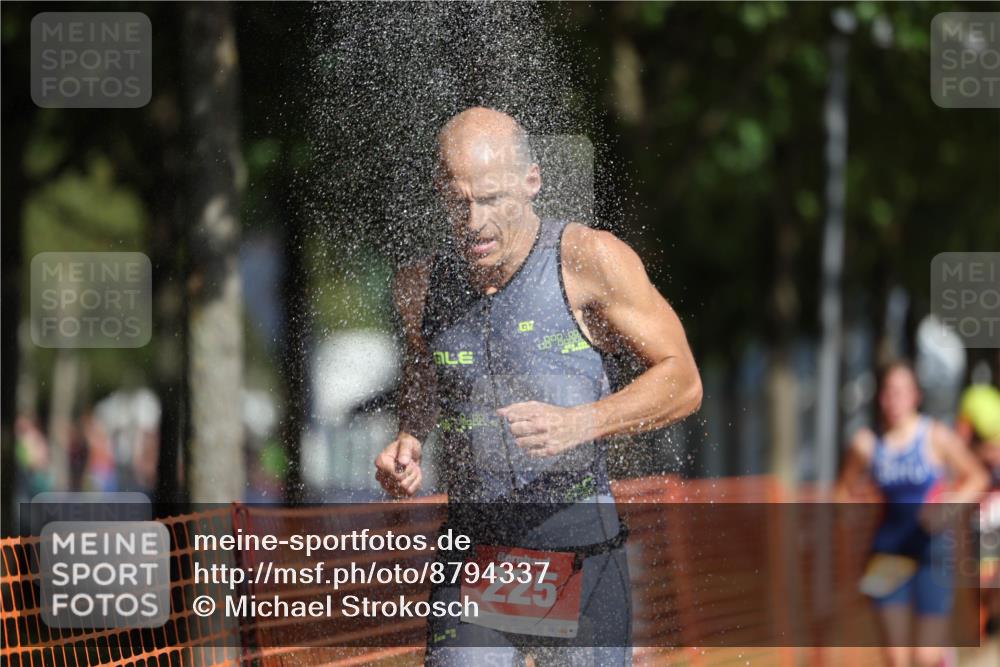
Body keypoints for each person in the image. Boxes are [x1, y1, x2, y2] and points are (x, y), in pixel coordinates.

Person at [374, 107, 702, 666]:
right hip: (480, 556)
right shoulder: (421, 286)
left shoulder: (587, 259)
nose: (475, 221)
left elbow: (684, 380)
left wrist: (583, 421)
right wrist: (410, 435)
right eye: (459, 201)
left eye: (493, 198)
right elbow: (426, 367)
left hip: (577, 547)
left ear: (532, 182)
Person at [836, 361, 989, 667]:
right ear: (880, 397)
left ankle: (943, 656)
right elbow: (841, 491)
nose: (893, 400)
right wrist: (851, 511)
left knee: (924, 657)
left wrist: (948, 507)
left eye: (901, 392)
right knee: (895, 658)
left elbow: (977, 478)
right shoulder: (867, 443)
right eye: (888, 392)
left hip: (931, 553)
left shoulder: (935, 437)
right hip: (887, 553)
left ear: (915, 396)